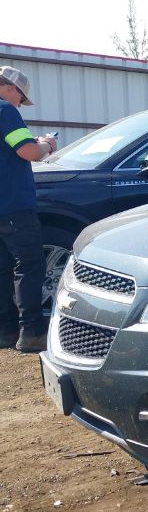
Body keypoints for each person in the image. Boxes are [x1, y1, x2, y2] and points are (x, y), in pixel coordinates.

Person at [0, 65, 57, 352]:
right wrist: (46, 144)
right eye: (21, 99)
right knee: (29, 267)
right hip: (12, 206)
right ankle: (32, 332)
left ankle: (5, 332)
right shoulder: (5, 111)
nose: (20, 104)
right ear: (11, 89)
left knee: (1, 269)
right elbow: (28, 152)